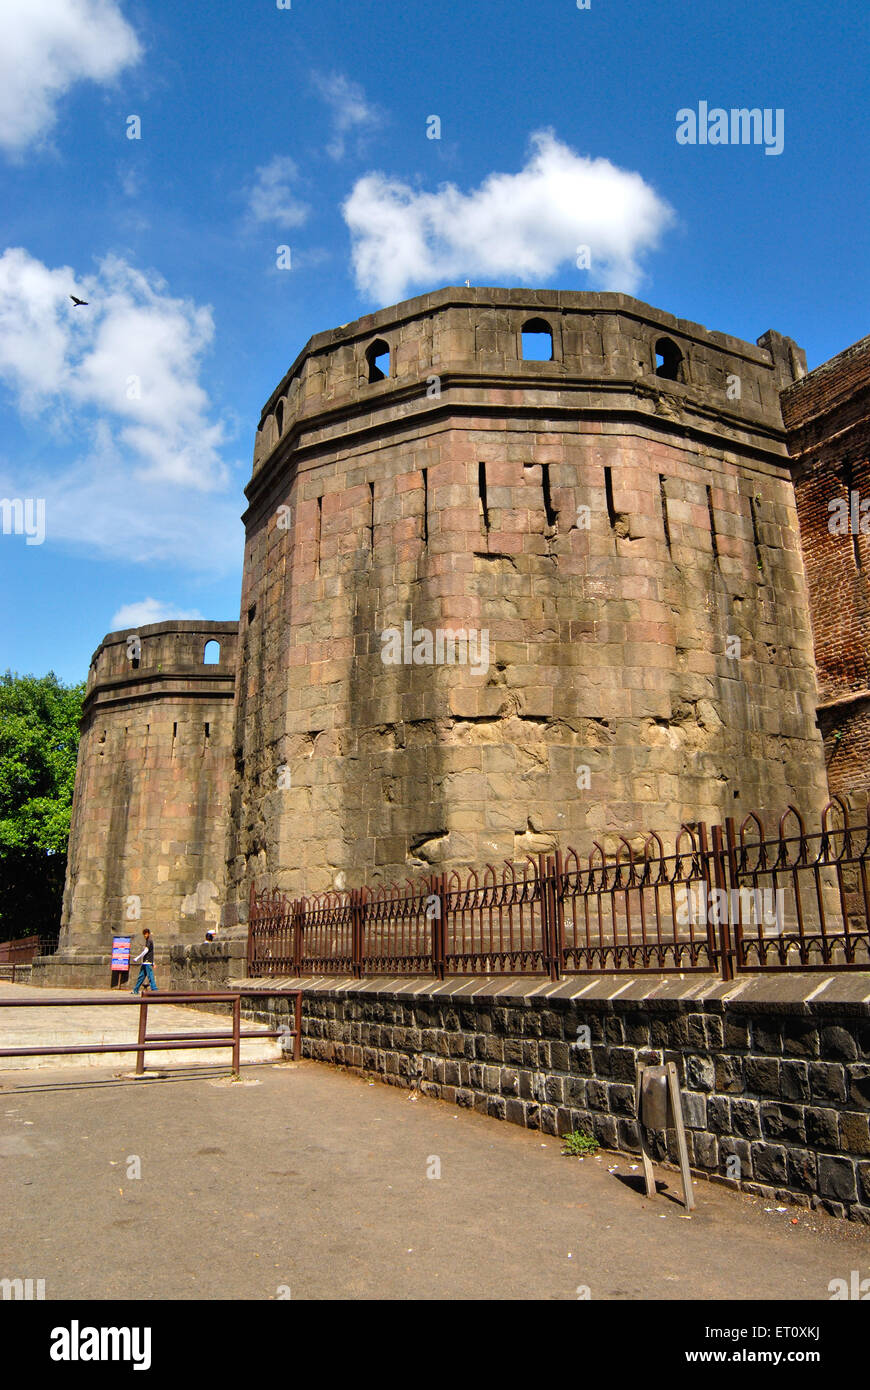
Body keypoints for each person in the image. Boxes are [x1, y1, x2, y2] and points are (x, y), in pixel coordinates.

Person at [131, 929, 157, 994]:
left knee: (150, 976)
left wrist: (137, 957)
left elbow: (146, 951)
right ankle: (136, 989)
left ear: (148, 934)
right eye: (144, 934)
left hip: (147, 962)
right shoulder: (147, 941)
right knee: (141, 976)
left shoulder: (149, 941)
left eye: (146, 934)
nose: (145, 935)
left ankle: (154, 989)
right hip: (145, 962)